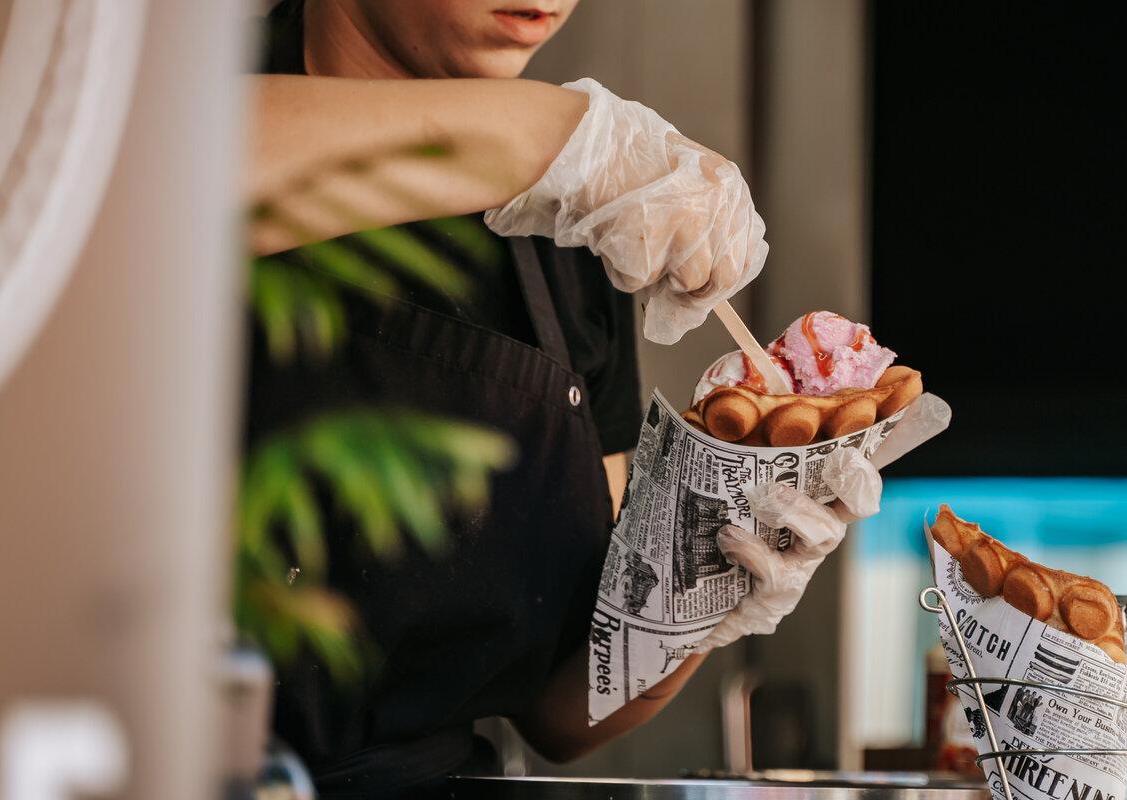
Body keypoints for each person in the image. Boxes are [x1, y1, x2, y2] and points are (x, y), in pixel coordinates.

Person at [246, 1, 879, 796]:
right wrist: (560, 134)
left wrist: (700, 587)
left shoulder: (567, 237)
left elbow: (562, 716)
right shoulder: (181, 89)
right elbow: (168, 178)